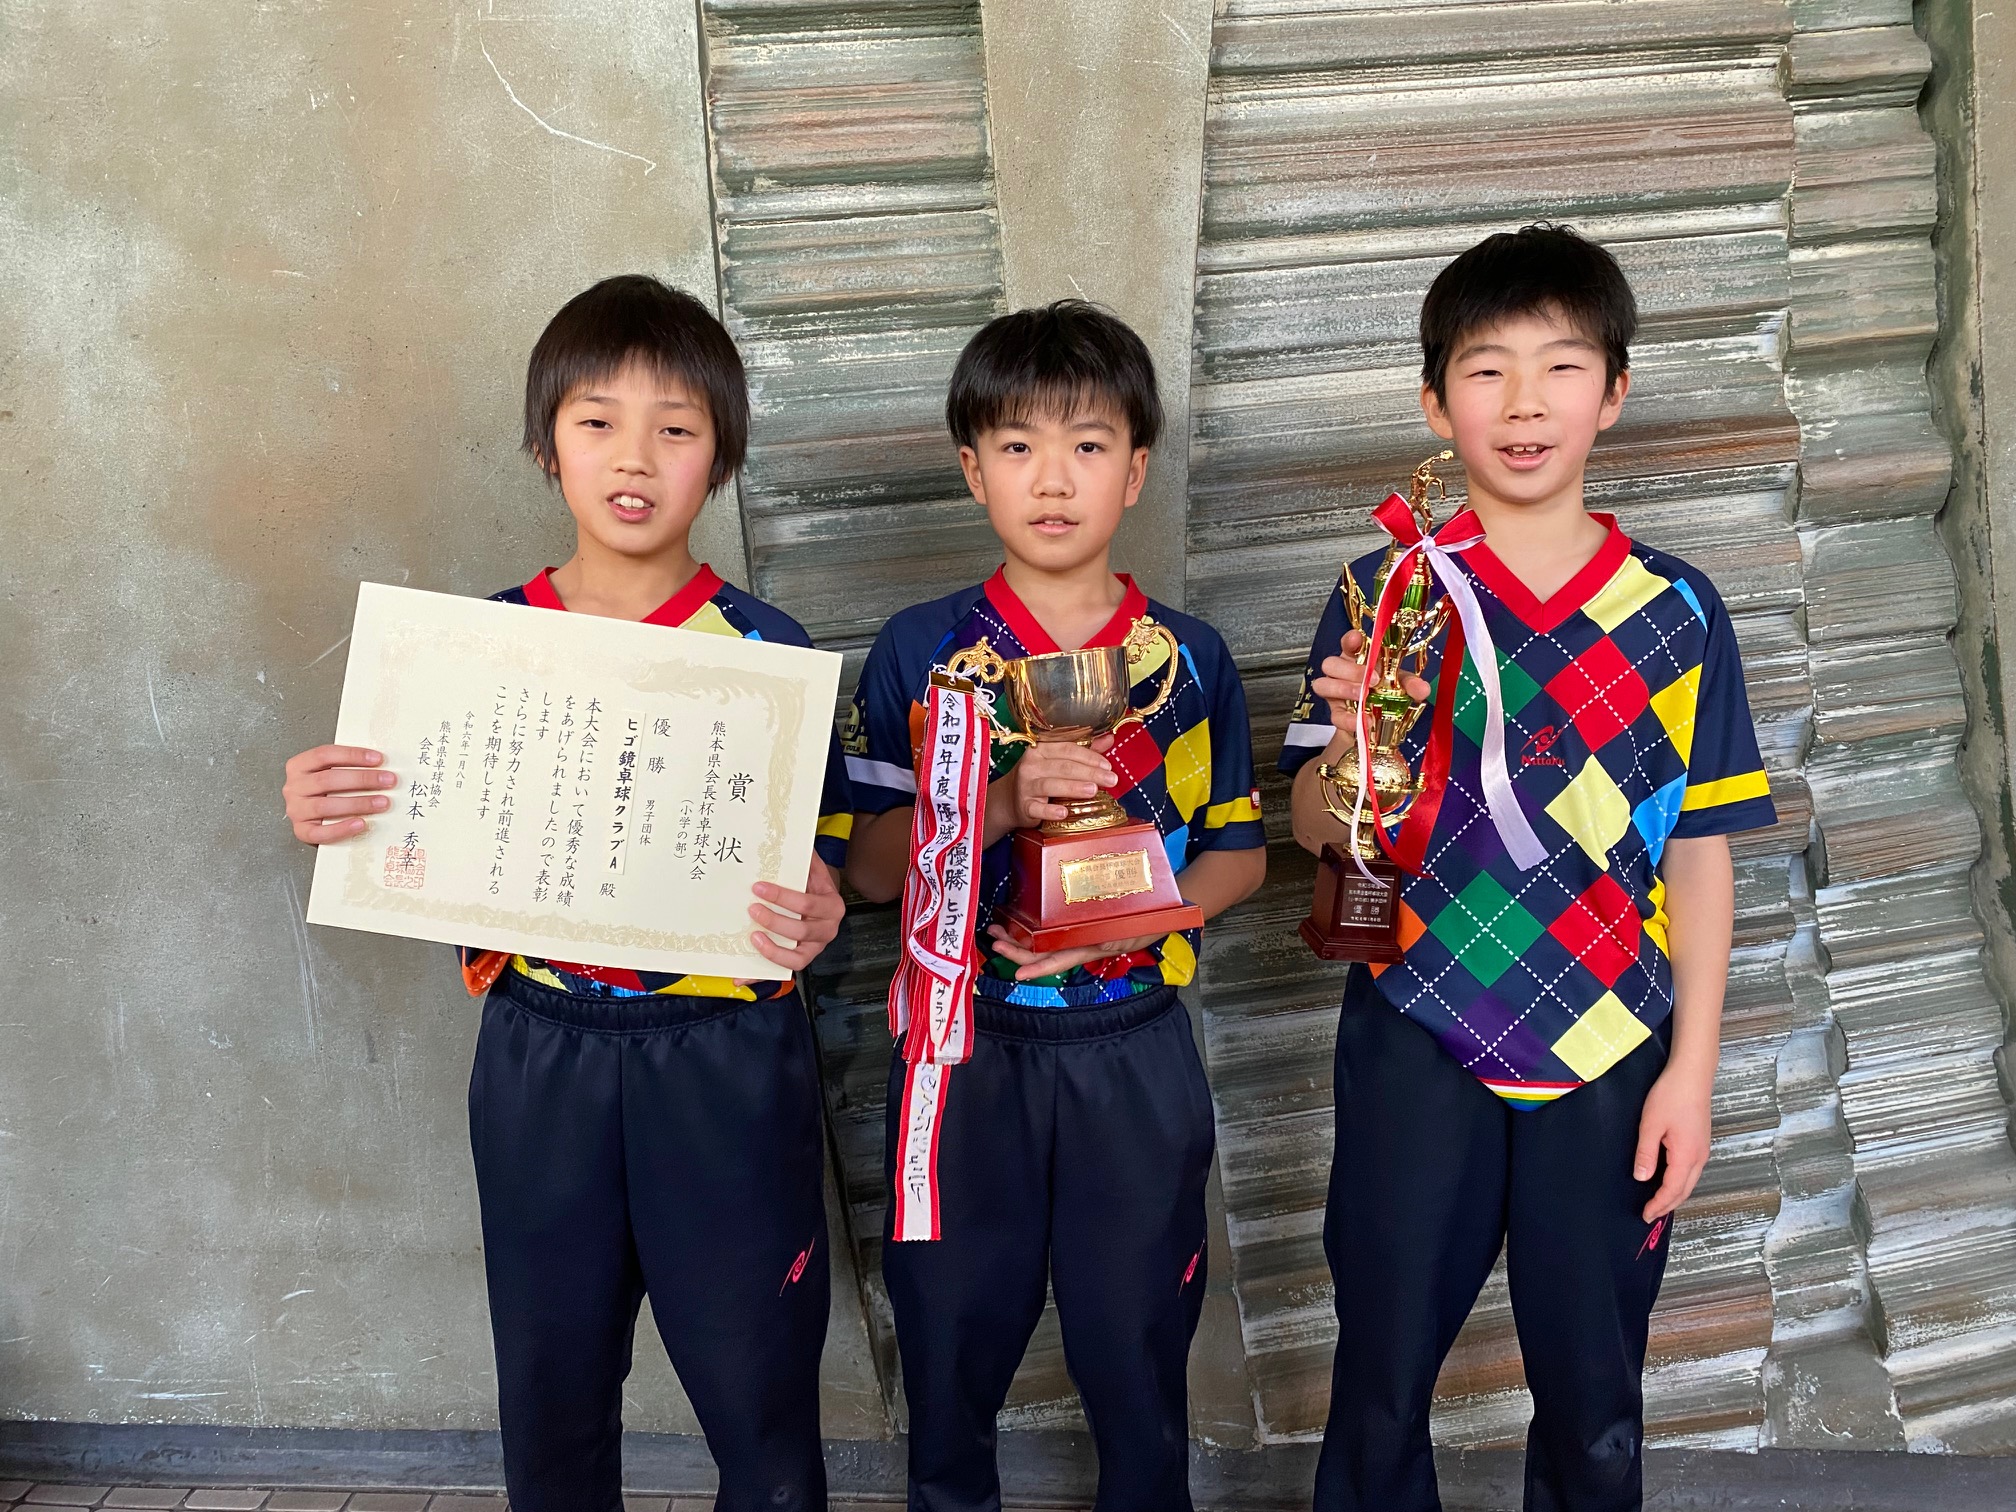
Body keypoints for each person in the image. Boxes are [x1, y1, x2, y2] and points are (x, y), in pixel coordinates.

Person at [280, 275, 849, 1512]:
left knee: (761, 1407)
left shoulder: (773, 658)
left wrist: (825, 905)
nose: (634, 457)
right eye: (598, 421)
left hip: (727, 1057)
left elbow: (832, 866)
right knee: (551, 1397)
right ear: (549, 446)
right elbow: (417, 843)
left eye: (677, 428)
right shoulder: (474, 652)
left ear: (722, 459)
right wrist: (337, 809)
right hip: (543, 1055)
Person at [1282, 226, 1776, 1512]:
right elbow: (1306, 824)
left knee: (1595, 1393)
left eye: (1561, 367)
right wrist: (1351, 763)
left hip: (1615, 1049)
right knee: (1381, 1381)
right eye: (1486, 369)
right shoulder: (1384, 592)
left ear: (1613, 391)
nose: (1523, 403)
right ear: (1435, 399)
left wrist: (1693, 1073)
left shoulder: (1679, 609)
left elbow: (1703, 854)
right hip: (1414, 1035)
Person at [844, 301, 1267, 1512]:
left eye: (1088, 444)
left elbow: (1236, 854)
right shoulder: (922, 651)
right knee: (949, 1347)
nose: (1053, 478)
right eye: (1018, 446)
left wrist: (1154, 919)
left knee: (1138, 1356)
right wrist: (999, 802)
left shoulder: (1189, 660)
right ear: (973, 470)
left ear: (1135, 471)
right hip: (958, 1047)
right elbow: (872, 872)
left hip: (1132, 1047)